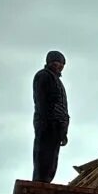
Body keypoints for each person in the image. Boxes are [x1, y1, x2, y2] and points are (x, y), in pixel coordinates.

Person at [31, 50, 68, 183]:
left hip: (57, 126)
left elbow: (62, 107)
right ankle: (40, 183)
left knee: (52, 159)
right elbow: (42, 102)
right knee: (44, 156)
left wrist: (63, 129)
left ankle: (45, 182)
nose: (59, 65)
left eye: (62, 63)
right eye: (57, 62)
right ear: (49, 62)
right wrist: (49, 122)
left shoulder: (57, 80)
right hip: (47, 123)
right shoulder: (43, 76)